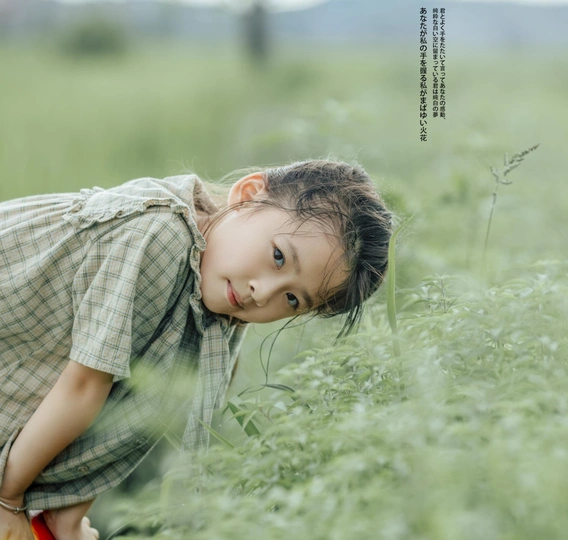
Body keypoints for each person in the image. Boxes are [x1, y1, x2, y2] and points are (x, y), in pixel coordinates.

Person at [0, 159, 393, 540]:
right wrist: (9, 499)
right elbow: (87, 385)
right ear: (249, 194)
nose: (263, 293)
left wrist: (68, 517)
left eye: (292, 299)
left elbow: (127, 412)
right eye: (278, 257)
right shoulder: (161, 234)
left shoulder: (218, 311)